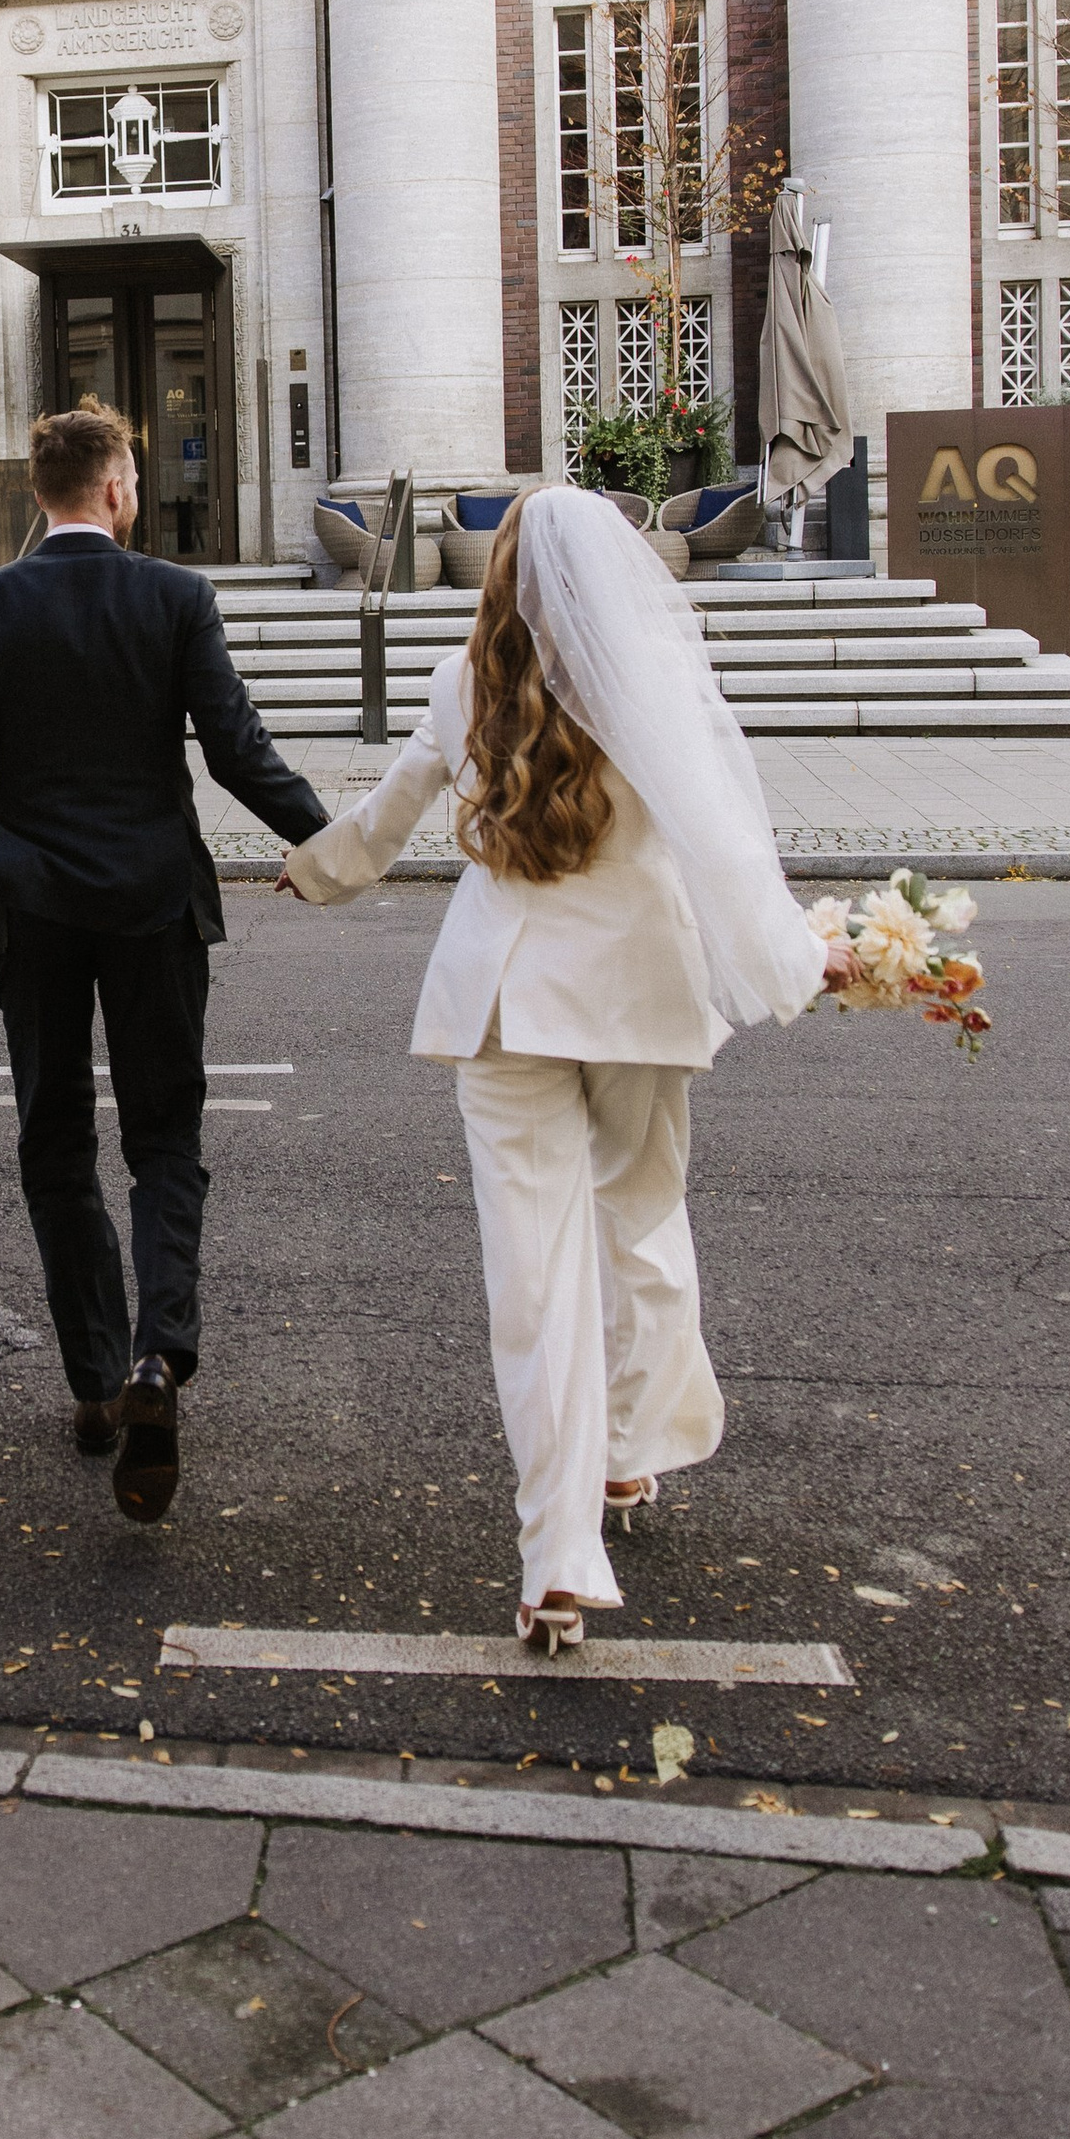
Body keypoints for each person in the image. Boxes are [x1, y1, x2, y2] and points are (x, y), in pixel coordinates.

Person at [279, 484, 850, 1653]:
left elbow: (385, 819)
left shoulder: (460, 683)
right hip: (639, 994)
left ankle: (556, 1559)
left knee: (531, 1282)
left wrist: (314, 872)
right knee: (641, 1223)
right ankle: (629, 1457)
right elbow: (724, 847)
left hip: (503, 998)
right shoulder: (649, 682)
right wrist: (801, 960)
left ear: (498, 578)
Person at [0, 401, 330, 1522]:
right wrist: (332, 845)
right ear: (119, 489)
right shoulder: (174, 598)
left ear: (42, 496)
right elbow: (236, 750)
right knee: (165, 1139)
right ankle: (157, 1356)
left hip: (34, 907)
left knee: (54, 1142)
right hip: (151, 902)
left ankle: (93, 1382)